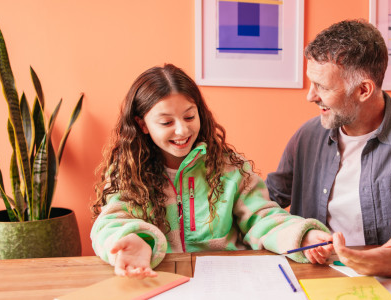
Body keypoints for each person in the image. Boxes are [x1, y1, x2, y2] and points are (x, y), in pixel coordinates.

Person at [266, 20, 391, 277]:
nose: (310, 96)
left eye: (322, 86)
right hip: (317, 278)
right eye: (311, 83)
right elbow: (262, 204)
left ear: (364, 90)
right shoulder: (307, 136)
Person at [90, 64, 331, 278]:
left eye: (189, 116)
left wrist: (302, 236)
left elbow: (261, 218)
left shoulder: (229, 167)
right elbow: (109, 222)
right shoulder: (130, 172)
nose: (182, 130)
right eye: (166, 122)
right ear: (142, 124)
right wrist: (132, 239)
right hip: (160, 280)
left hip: (229, 282)